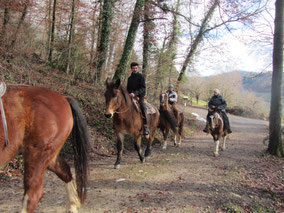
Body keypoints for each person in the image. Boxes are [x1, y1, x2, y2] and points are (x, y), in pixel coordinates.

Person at [127, 62, 149, 135]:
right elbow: (128, 88)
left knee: (143, 107)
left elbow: (143, 88)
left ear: (138, 68)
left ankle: (145, 127)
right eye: (133, 68)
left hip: (140, 96)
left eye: (136, 68)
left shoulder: (141, 77)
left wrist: (135, 94)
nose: (135, 69)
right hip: (131, 96)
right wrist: (130, 93)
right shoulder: (129, 78)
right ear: (131, 69)